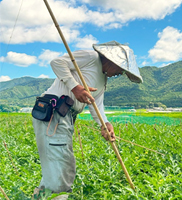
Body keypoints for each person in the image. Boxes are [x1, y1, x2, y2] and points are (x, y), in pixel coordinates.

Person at [32, 41, 143, 199]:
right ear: (111, 60)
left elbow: (96, 106)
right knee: (62, 164)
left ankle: (41, 197)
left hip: (66, 117)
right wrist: (75, 87)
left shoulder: (103, 81)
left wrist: (105, 124)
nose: (121, 73)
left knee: (56, 165)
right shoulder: (91, 57)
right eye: (120, 68)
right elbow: (56, 62)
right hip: (54, 113)